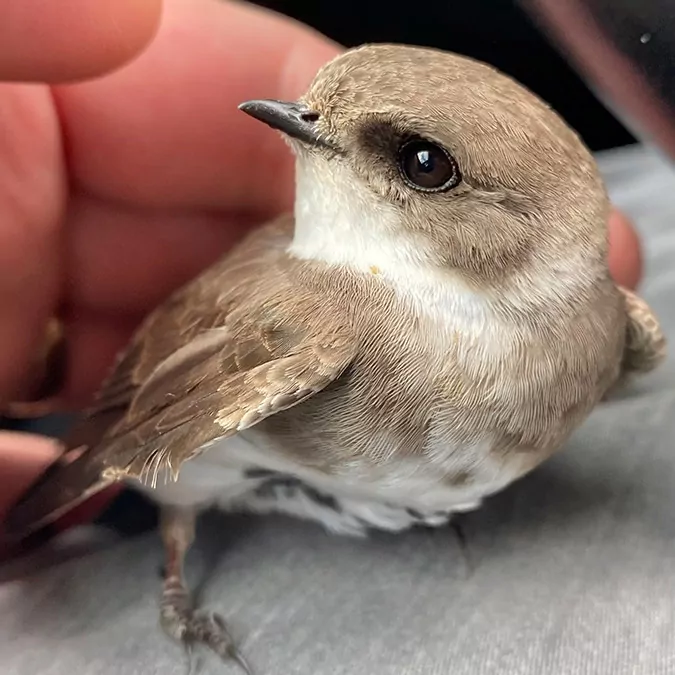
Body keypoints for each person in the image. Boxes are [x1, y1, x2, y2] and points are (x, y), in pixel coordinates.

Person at [0, 0, 642, 533]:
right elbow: (134, 422)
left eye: (423, 165)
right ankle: (176, 541)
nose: (301, 121)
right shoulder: (300, 328)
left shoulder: (610, 326)